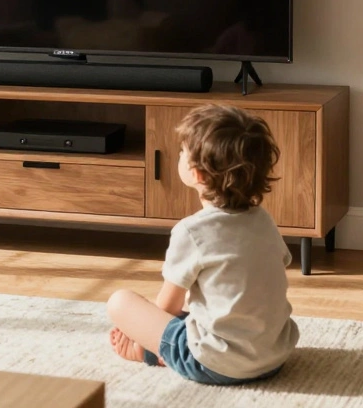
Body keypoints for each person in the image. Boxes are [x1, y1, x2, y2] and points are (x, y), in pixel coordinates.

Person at [106, 104, 298, 385]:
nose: (180, 155)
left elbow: (168, 308)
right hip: (273, 359)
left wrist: (140, 332)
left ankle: (150, 353)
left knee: (120, 302)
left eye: (183, 152)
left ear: (198, 174)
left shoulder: (192, 232)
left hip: (215, 365)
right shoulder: (264, 221)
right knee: (198, 305)